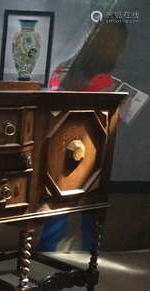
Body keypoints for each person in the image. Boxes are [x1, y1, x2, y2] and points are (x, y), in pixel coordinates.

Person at [37, 20, 128, 252]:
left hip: (59, 152)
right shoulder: (107, 82)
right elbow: (107, 123)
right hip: (92, 157)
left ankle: (42, 260)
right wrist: (122, 111)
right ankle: (91, 264)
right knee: (92, 218)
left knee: (56, 216)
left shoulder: (63, 69)